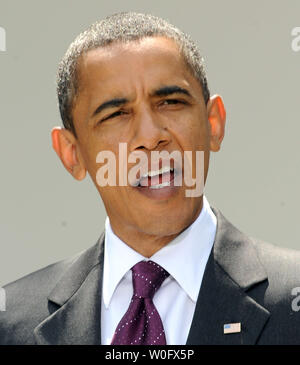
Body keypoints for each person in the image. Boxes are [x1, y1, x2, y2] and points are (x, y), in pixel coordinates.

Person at [0, 12, 300, 345]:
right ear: (72, 154)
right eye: (116, 113)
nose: (151, 135)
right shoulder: (11, 323)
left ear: (214, 124)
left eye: (171, 102)